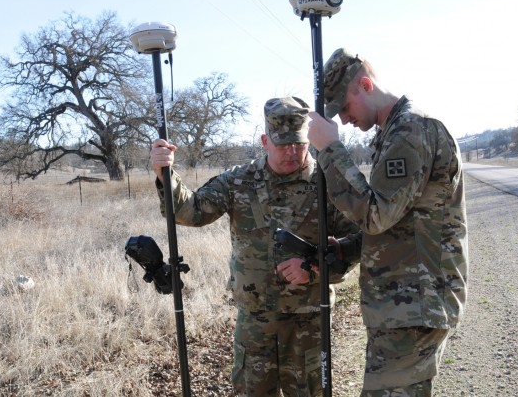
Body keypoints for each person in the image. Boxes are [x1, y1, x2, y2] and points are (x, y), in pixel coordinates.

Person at [150, 96, 360, 397]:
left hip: (309, 322)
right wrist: (165, 173)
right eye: (282, 144)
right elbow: (190, 211)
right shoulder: (239, 181)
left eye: (299, 144)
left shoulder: (328, 184)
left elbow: (358, 241)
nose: (291, 152)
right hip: (255, 323)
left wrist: (314, 268)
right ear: (265, 140)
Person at [306, 48, 469, 397]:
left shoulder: (412, 131)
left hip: (415, 304)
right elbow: (400, 222)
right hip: (402, 304)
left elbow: (375, 215)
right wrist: (348, 248)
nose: (345, 121)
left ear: (365, 85)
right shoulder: (394, 132)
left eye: (344, 109)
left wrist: (331, 150)